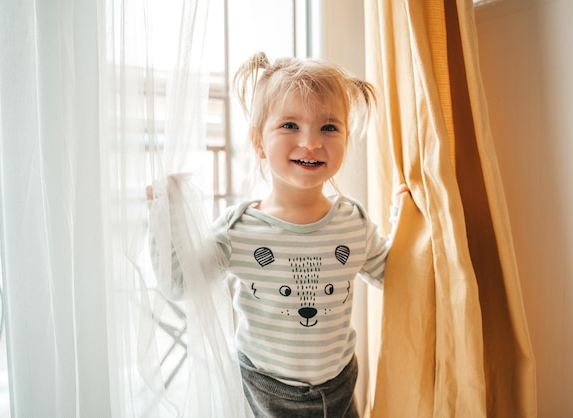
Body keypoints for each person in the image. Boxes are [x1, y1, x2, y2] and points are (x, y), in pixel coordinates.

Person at [148, 51, 409, 418]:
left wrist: (406, 217)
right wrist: (165, 212)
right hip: (264, 395)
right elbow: (178, 282)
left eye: (329, 127)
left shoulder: (352, 222)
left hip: (339, 388)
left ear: (347, 139)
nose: (311, 142)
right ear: (258, 142)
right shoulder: (240, 229)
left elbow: (397, 276)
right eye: (290, 125)